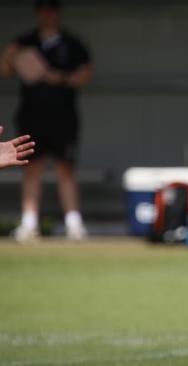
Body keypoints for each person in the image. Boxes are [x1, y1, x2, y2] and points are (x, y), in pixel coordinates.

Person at [0, 0, 93, 242]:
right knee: (32, 167)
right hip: (32, 114)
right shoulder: (25, 41)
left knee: (65, 167)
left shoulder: (72, 43)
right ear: (38, 13)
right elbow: (5, 69)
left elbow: (85, 74)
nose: (47, 14)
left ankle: (74, 224)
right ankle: (29, 223)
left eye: (51, 9)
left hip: (63, 115)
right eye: (43, 10)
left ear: (58, 13)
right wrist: (10, 56)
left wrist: (58, 77)